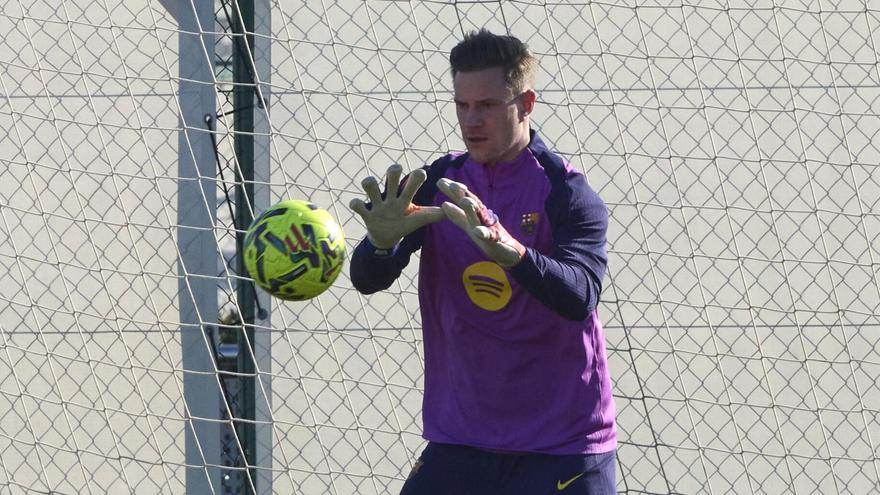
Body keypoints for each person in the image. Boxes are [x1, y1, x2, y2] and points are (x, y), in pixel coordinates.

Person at [348, 29, 616, 494]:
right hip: (462, 441)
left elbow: (580, 294)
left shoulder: (566, 192)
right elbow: (367, 279)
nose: (472, 120)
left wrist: (513, 253)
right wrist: (381, 244)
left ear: (526, 103)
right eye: (462, 106)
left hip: (560, 446)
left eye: (487, 105)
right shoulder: (439, 182)